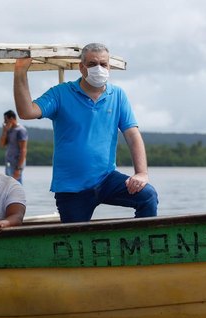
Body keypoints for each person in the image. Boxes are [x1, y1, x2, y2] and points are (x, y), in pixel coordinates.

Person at [14, 42, 158, 223]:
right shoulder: (61, 93)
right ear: (82, 67)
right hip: (71, 188)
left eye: (103, 64)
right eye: (92, 64)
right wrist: (20, 71)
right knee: (74, 240)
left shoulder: (118, 95)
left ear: (109, 67)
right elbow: (27, 112)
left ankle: (142, 247)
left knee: (148, 195)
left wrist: (141, 173)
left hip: (106, 179)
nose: (99, 68)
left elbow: (132, 135)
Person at [0, 109, 28, 184]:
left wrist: (18, 168)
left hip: (16, 163)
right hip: (9, 162)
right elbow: (2, 145)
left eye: (6, 120)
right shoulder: (9, 130)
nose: (5, 122)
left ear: (11, 119)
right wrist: (4, 131)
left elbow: (23, 150)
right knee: (8, 186)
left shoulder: (21, 131)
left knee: (16, 185)